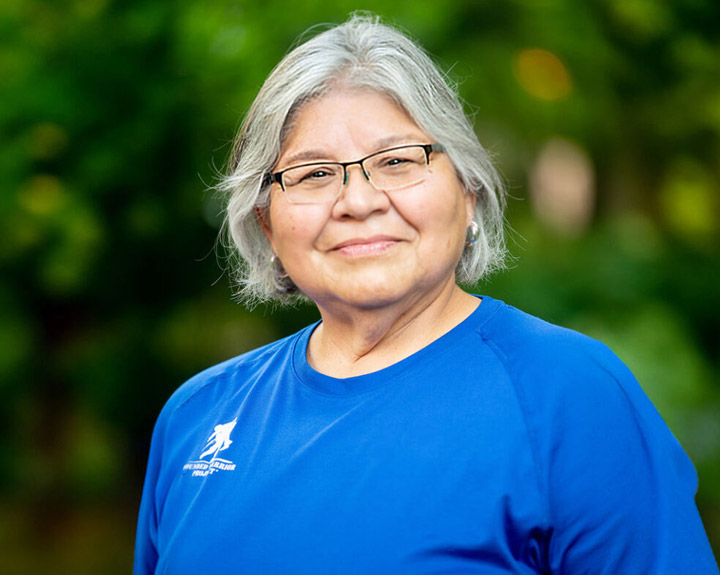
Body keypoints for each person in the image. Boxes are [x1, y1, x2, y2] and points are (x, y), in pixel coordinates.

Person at [134, 14, 719, 575]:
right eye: (313, 173)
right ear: (266, 223)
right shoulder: (199, 416)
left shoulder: (572, 396)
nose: (357, 202)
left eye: (396, 161)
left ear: (468, 190)